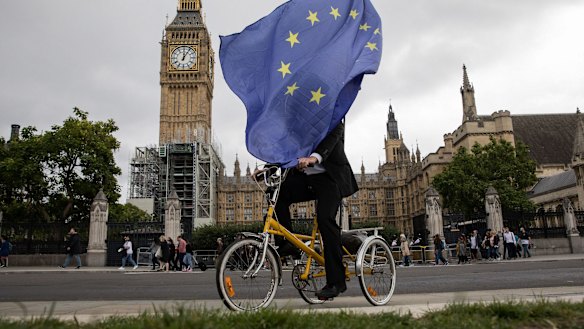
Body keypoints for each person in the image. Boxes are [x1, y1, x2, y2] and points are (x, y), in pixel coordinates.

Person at [270, 122, 358, 300]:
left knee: (325, 220)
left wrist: (314, 158)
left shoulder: (330, 115)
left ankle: (336, 281)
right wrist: (268, 167)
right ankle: (286, 242)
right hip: (308, 180)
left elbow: (334, 135)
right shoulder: (299, 121)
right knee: (275, 194)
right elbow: (285, 148)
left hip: (330, 179)